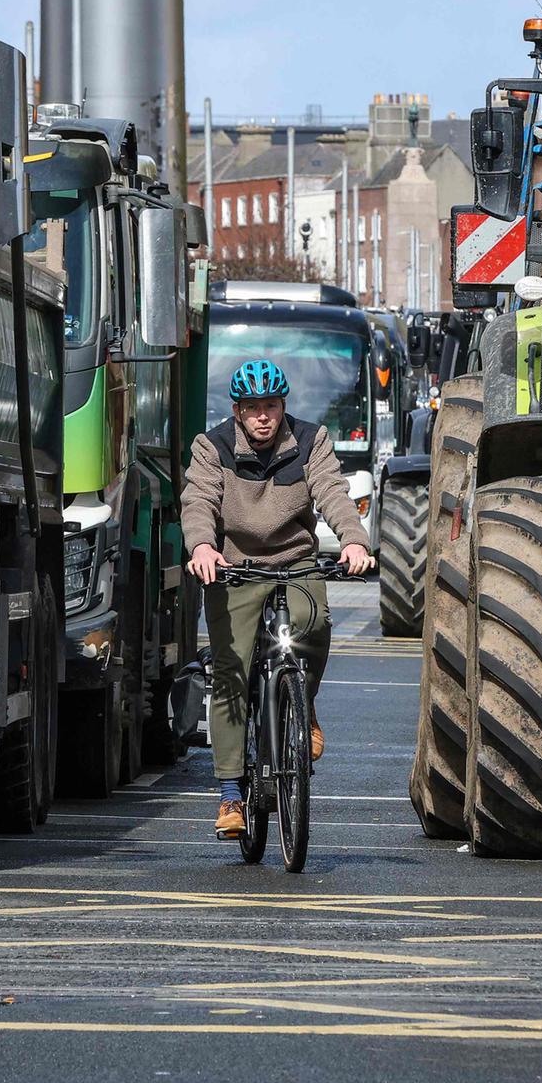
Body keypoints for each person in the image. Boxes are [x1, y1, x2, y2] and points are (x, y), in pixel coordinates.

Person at [182, 359, 375, 838]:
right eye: (253, 408)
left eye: (271, 405)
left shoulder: (311, 440)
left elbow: (332, 492)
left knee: (314, 624)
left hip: (295, 562)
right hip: (235, 566)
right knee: (230, 671)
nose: (263, 416)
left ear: (283, 406)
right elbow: (199, 500)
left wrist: (353, 541)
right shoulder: (212, 446)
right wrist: (202, 547)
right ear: (238, 411)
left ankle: (302, 702)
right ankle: (230, 795)